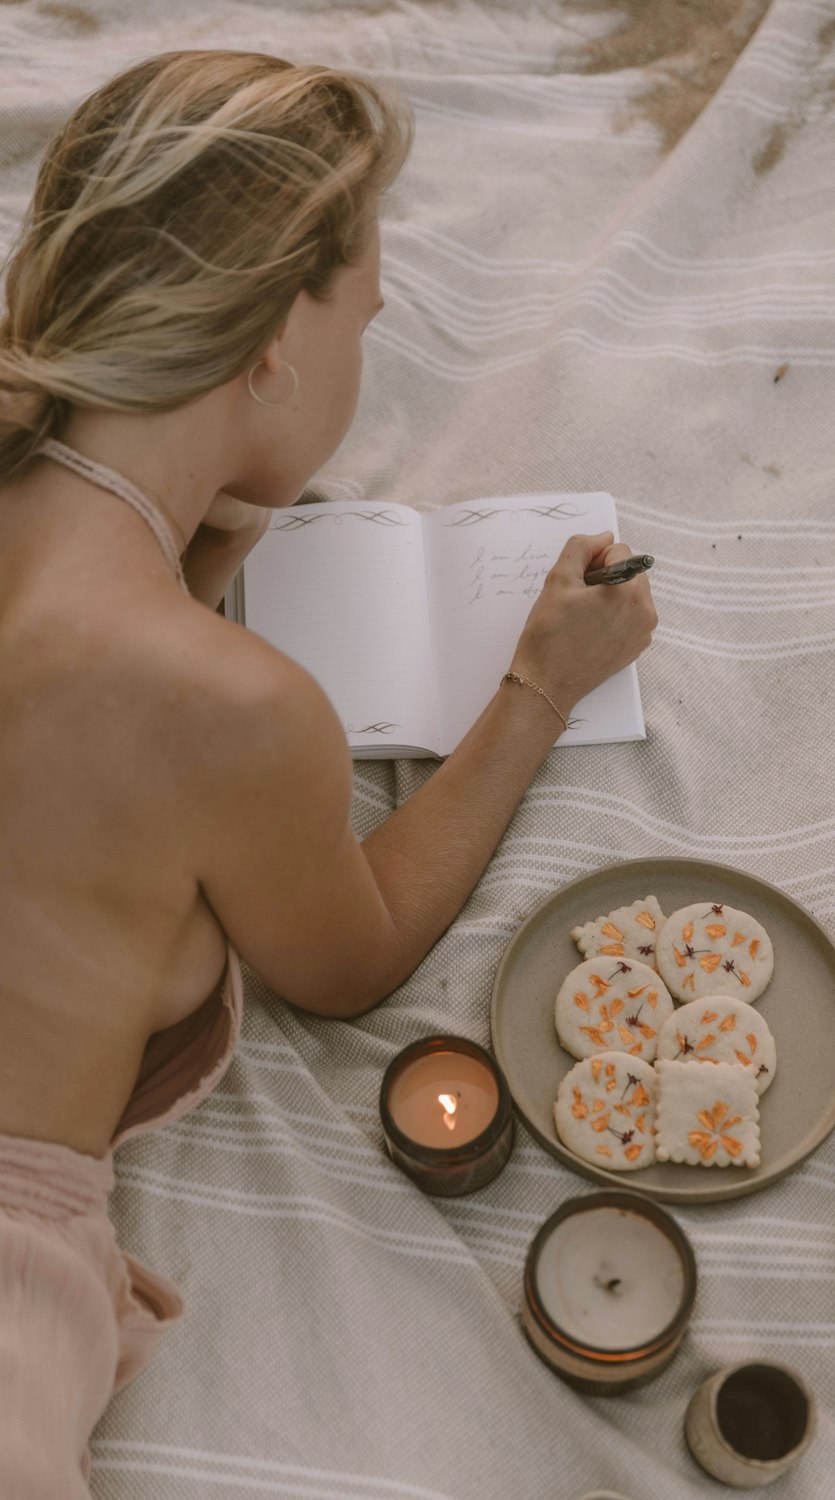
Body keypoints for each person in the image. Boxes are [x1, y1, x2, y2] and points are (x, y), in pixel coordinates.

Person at [0, 49, 657, 1494]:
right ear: (272, 351)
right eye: (366, 315)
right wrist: (542, 682)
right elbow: (344, 961)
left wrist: (186, 540)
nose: (371, 347)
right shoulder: (225, 704)